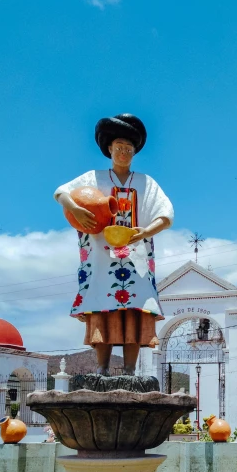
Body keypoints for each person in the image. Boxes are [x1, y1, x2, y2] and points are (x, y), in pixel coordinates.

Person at [54, 114, 173, 375]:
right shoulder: (92, 178)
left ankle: (130, 370)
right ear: (109, 148)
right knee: (102, 307)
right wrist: (76, 208)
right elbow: (60, 193)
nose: (123, 152)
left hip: (136, 259)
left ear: (134, 152)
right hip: (100, 257)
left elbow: (166, 215)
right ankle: (101, 368)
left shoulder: (145, 183)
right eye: (119, 147)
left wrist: (144, 233)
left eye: (128, 148)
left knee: (135, 308)